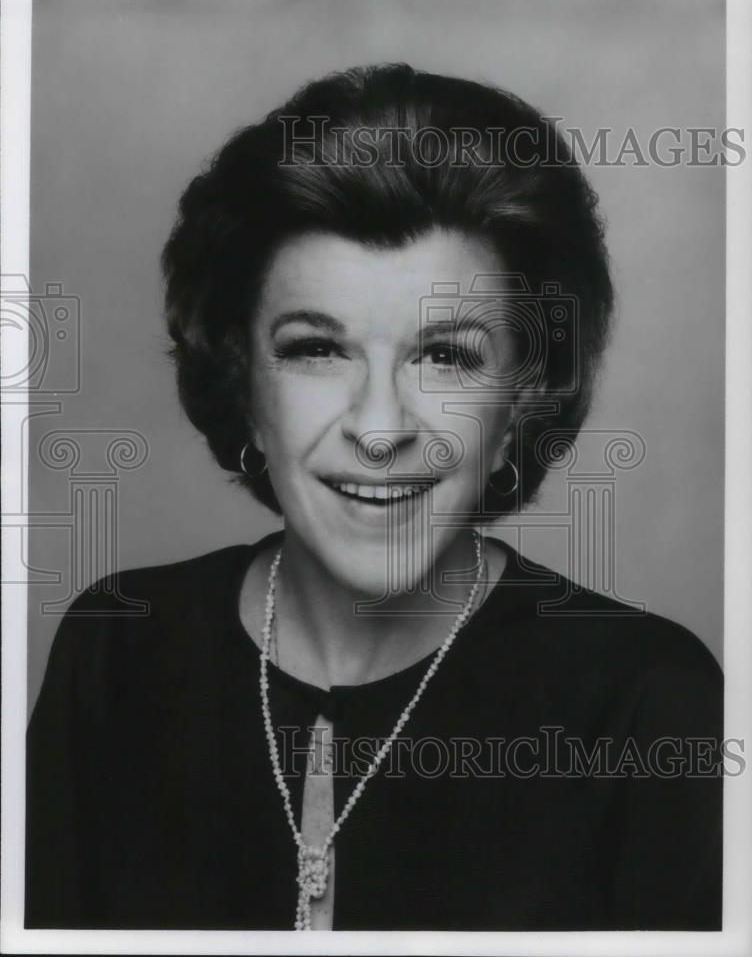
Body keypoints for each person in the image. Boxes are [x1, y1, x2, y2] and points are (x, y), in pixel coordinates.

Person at [25, 63, 722, 931]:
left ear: (519, 404)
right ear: (245, 386)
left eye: (446, 357)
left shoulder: (652, 704)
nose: (381, 426)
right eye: (318, 349)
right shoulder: (117, 649)